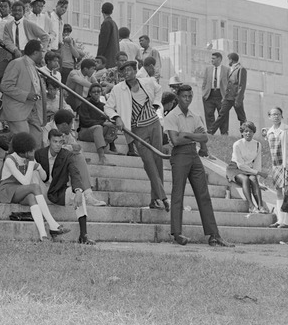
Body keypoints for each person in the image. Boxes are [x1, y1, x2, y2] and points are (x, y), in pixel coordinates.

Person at [162, 84, 234, 246]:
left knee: (203, 194)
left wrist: (188, 135)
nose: (187, 99)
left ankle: (214, 235)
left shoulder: (194, 116)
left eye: (189, 96)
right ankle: (177, 234)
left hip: (194, 156)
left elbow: (205, 138)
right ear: (177, 98)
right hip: (179, 155)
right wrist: (196, 137)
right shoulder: (172, 116)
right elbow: (176, 140)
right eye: (184, 96)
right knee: (178, 193)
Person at [105, 61, 168, 211]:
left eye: (129, 70)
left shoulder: (148, 82)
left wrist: (156, 105)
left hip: (154, 125)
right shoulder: (118, 89)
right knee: (148, 162)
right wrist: (117, 117)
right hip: (137, 129)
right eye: (124, 71)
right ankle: (163, 197)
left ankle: (155, 199)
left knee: (157, 159)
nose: (127, 73)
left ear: (135, 70)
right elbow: (108, 107)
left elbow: (159, 91)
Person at [0, 133, 69, 242]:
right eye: (30, 150)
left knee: (31, 197)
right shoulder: (10, 160)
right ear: (22, 151)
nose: (32, 152)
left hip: (20, 189)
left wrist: (39, 167)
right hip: (7, 190)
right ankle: (52, 224)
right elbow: (25, 182)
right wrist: (31, 164)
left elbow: (44, 177)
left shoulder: (28, 158)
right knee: (34, 187)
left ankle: (43, 235)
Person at [35, 129, 96, 245]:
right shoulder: (39, 154)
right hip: (41, 189)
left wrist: (78, 191)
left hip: (58, 191)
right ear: (48, 141)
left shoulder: (67, 155)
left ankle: (83, 235)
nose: (58, 145)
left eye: (60, 142)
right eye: (55, 141)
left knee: (79, 194)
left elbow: (74, 173)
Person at [0, 39, 46, 148]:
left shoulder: (34, 67)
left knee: (36, 143)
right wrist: (26, 95)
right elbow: (5, 86)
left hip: (33, 110)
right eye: (42, 51)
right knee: (23, 143)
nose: (43, 54)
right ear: (35, 52)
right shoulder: (16, 63)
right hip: (18, 110)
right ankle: (10, 164)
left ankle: (27, 164)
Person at [264, 107, 288, 229]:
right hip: (276, 166)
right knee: (279, 192)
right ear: (269, 117)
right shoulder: (269, 132)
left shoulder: (287, 130)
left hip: (287, 165)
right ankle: (279, 219)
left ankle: (286, 222)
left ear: (282, 116)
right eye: (273, 114)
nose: (276, 116)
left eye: (278, 114)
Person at [227, 121, 269, 213]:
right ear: (242, 132)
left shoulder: (258, 144)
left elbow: (257, 163)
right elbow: (240, 165)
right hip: (236, 168)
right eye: (245, 131)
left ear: (253, 132)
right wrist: (259, 173)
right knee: (245, 180)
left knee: (253, 179)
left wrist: (257, 179)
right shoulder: (237, 144)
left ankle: (260, 206)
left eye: (250, 131)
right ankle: (251, 206)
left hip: (249, 169)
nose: (248, 133)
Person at [76, 84, 120, 163]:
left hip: (98, 133)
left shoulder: (104, 106)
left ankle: (107, 148)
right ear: (90, 93)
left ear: (101, 93)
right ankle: (102, 157)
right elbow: (85, 122)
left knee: (112, 124)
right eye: (94, 92)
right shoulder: (85, 104)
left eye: (98, 91)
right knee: (98, 127)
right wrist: (103, 123)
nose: (96, 93)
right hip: (84, 132)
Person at [211, 53, 248, 134]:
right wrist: (224, 98)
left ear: (231, 60)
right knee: (221, 115)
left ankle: (245, 134)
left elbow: (241, 86)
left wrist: (238, 100)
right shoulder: (231, 69)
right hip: (228, 98)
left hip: (236, 98)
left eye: (229, 59)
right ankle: (210, 132)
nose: (228, 61)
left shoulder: (241, 69)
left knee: (242, 118)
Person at [201, 52, 229, 135]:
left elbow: (229, 84)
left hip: (221, 95)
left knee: (223, 114)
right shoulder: (208, 69)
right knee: (209, 114)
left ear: (219, 59)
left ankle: (224, 133)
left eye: (213, 58)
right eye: (211, 58)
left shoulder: (226, 70)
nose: (211, 60)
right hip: (209, 94)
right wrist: (204, 93)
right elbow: (204, 82)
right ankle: (210, 132)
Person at [97, 1, 120, 68]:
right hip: (114, 59)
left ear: (102, 11)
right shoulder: (114, 24)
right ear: (111, 12)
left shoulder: (106, 23)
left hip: (107, 60)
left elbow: (103, 43)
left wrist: (98, 58)